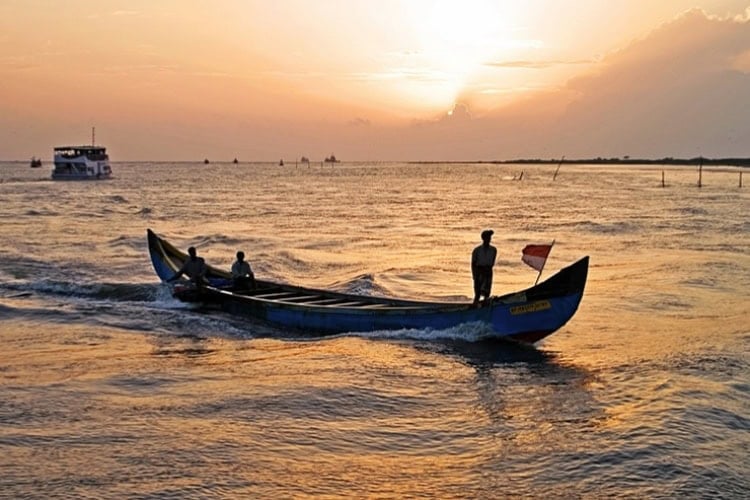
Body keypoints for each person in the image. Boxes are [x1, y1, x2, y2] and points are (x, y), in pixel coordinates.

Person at [471, 229, 498, 306]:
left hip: (488, 271)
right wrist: (474, 275)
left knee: (487, 293)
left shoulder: (493, 250)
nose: (489, 239)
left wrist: (487, 269)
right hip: (479, 272)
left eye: (489, 237)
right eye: (487, 237)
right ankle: (475, 306)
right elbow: (473, 263)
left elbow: (492, 262)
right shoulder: (477, 250)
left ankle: (485, 306)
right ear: (483, 238)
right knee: (478, 293)